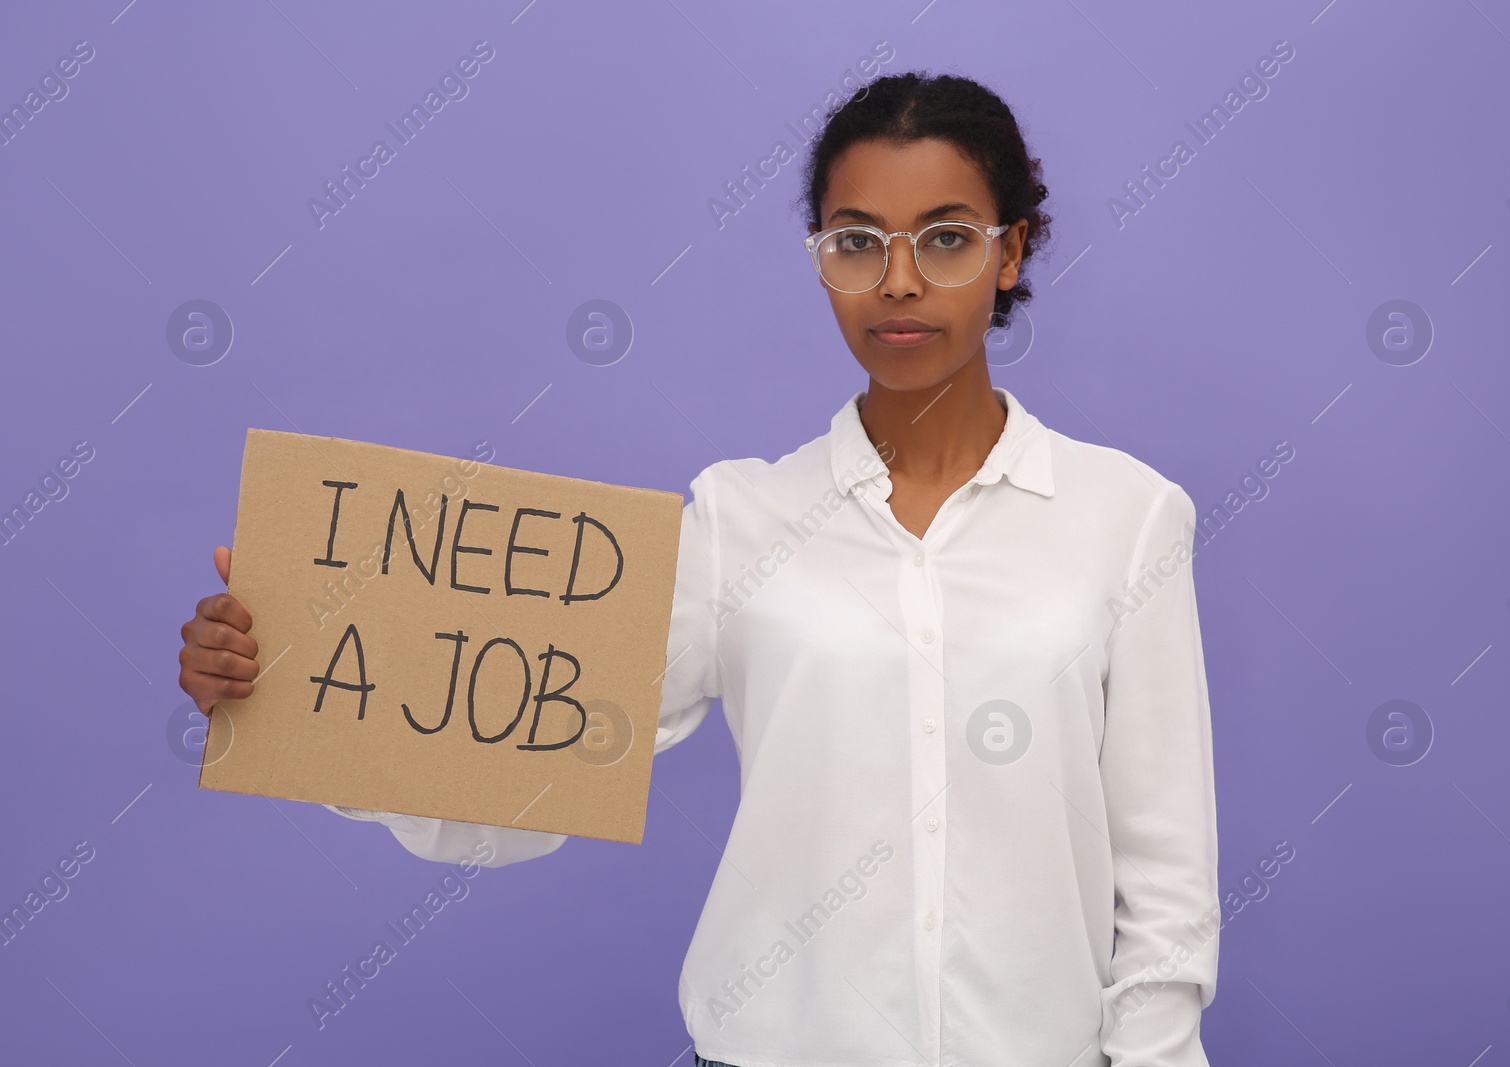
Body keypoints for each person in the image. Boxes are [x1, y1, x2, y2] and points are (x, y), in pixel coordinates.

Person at [179, 71, 1220, 1067]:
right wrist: (299, 688)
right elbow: (524, 776)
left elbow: (1165, 879)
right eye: (856, 241)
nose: (898, 278)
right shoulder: (737, 519)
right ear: (820, 258)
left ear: (1009, 250)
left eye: (945, 237)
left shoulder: (1124, 519)